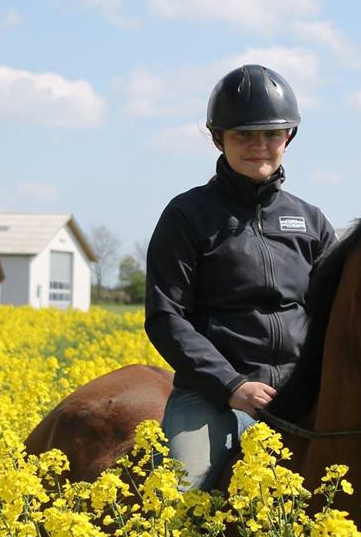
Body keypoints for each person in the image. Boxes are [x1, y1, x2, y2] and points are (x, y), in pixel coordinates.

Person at [144, 64, 336, 490]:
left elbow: (336, 316)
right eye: (243, 135)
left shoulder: (311, 222)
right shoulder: (187, 215)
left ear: (289, 137)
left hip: (299, 394)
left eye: (271, 134)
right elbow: (166, 317)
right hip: (211, 395)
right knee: (186, 491)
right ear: (219, 139)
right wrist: (232, 386)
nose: (259, 146)